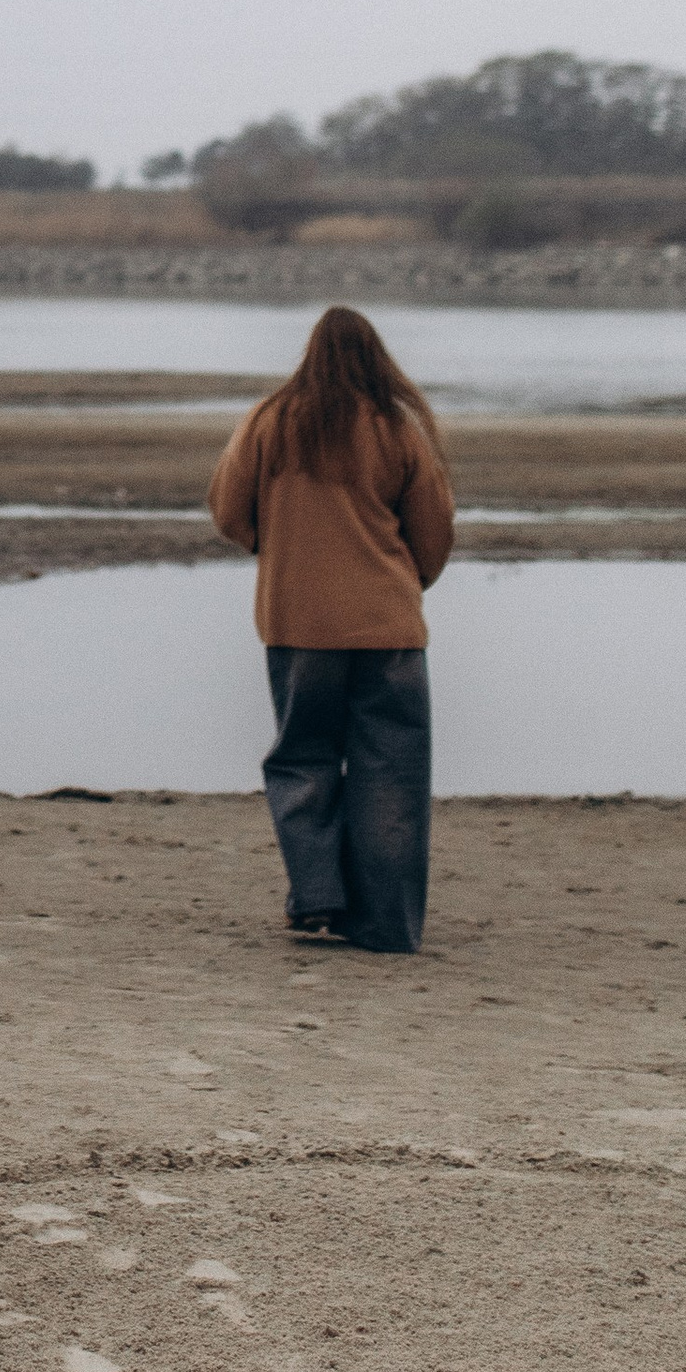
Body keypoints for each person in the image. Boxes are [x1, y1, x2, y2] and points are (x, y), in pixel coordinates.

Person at [208, 302, 456, 956]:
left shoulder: (270, 421)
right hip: (390, 629)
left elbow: (229, 509)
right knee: (392, 771)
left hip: (299, 622)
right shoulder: (400, 428)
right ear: (377, 357)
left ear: (309, 356)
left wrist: (275, 546)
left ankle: (318, 899)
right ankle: (386, 926)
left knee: (303, 757)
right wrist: (406, 583)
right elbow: (433, 531)